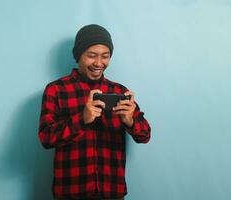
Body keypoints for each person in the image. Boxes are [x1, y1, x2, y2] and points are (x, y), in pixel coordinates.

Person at [38, 24, 151, 200]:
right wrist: (82, 119)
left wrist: (130, 121)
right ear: (78, 55)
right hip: (70, 191)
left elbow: (145, 135)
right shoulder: (56, 90)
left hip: (112, 192)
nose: (99, 63)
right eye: (91, 55)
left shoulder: (119, 91)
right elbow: (46, 138)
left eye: (105, 56)